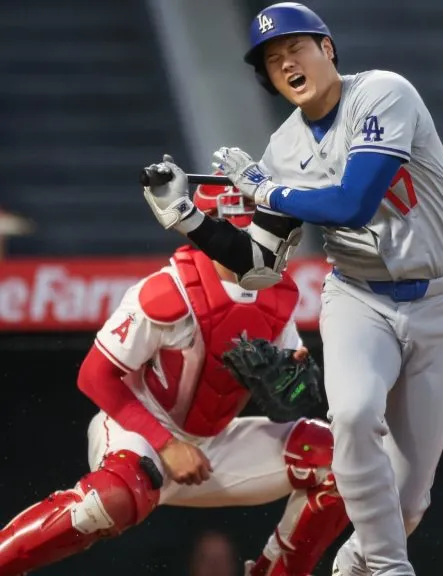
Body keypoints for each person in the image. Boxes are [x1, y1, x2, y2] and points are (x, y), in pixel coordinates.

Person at [139, 4, 443, 575]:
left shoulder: (382, 94)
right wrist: (188, 220)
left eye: (296, 47)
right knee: (351, 416)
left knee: (406, 502)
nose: (287, 62)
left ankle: (354, 568)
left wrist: (266, 192)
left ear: (328, 49)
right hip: (361, 298)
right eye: (273, 61)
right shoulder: (282, 152)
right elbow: (258, 265)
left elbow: (353, 201)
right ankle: (393, 571)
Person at [0, 181, 349, 576]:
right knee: (113, 497)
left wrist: (292, 379)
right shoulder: (169, 291)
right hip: (143, 433)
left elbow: (283, 387)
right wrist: (166, 445)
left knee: (341, 460)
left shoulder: (278, 293)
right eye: (248, 232)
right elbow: (94, 376)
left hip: (212, 443)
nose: (263, 245)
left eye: (265, 232)